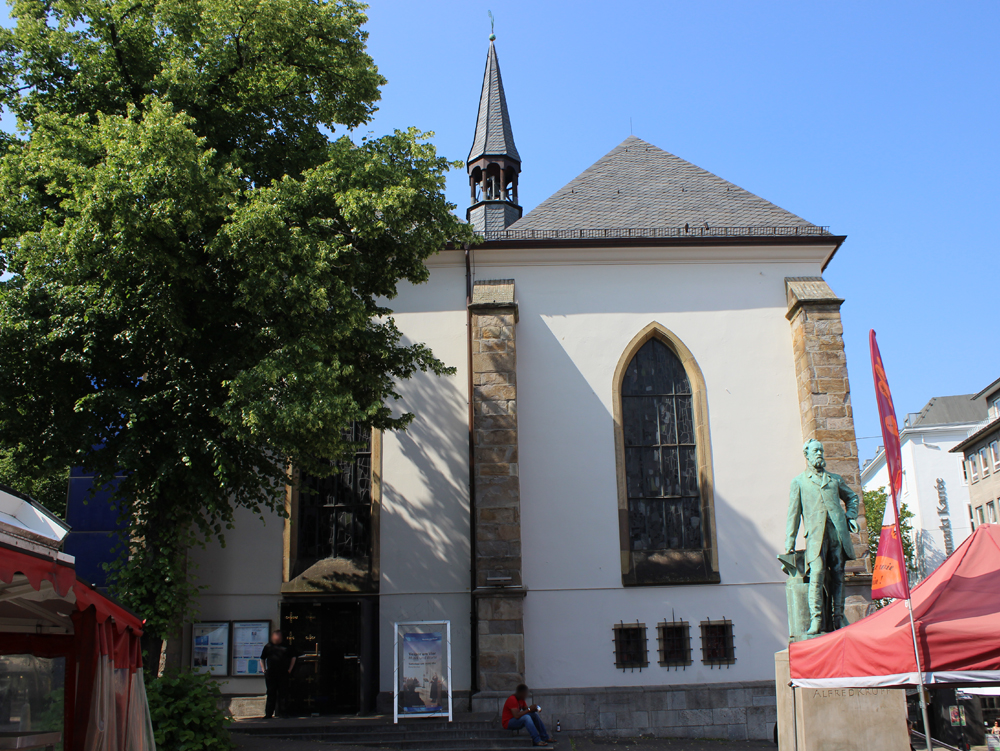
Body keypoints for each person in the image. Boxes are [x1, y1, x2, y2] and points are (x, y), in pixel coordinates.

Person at [785, 439, 860, 635]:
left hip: (837, 534)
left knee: (838, 574)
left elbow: (852, 497)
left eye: (821, 450)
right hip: (816, 537)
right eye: (815, 451)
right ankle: (816, 619)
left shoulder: (834, 479)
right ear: (807, 455)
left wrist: (850, 516)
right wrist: (790, 540)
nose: (819, 454)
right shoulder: (799, 481)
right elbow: (793, 513)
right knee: (816, 573)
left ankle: (838, 616)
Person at [259, 629, 298, 719]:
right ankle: (268, 713)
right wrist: (264, 670)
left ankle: (283, 713)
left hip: (283, 673)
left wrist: (289, 670)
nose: (277, 638)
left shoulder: (286, 646)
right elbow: (262, 658)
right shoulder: (268, 646)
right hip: (271, 674)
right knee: (271, 693)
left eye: (279, 636)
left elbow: (293, 657)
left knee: (283, 693)